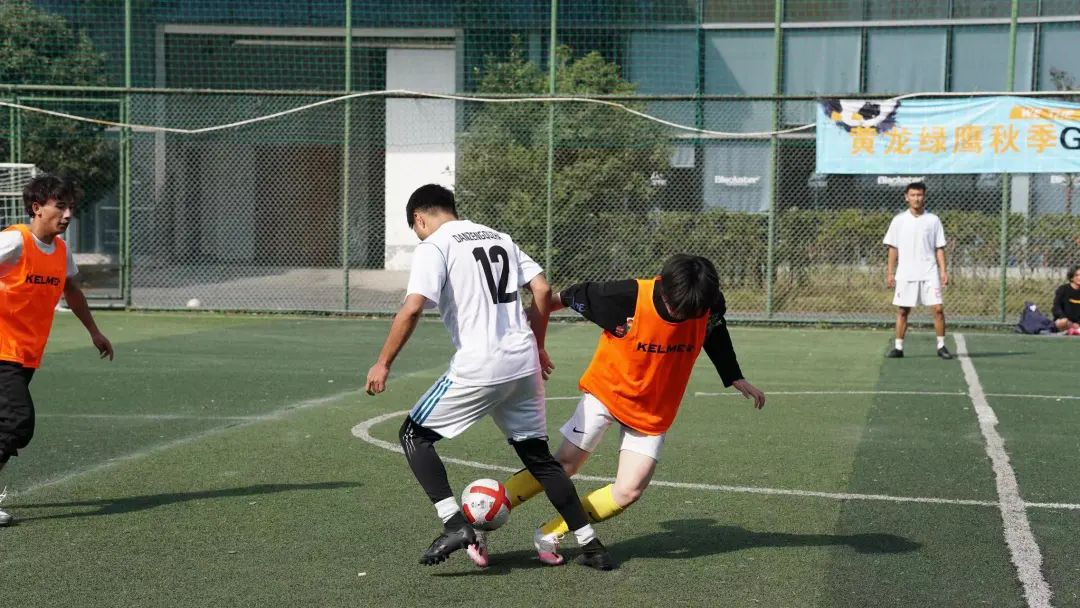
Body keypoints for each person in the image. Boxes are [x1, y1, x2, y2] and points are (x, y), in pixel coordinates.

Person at [364, 184, 614, 570]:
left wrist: (383, 362)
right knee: (540, 459)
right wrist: (538, 345)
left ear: (419, 218)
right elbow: (542, 288)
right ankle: (591, 545)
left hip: (481, 363)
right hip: (522, 362)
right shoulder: (499, 237)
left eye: (416, 229)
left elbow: (412, 308)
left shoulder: (435, 246)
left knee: (413, 435)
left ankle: (453, 525)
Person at [501, 254, 767, 565]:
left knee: (628, 491)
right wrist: (529, 326)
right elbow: (567, 296)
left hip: (653, 409)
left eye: (690, 312)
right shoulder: (626, 296)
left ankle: (550, 532)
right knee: (566, 464)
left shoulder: (707, 303)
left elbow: (715, 331)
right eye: (676, 308)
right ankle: (492, 503)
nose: (681, 315)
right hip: (607, 392)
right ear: (663, 286)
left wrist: (733, 375)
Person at [0, 175, 114, 526]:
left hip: (24, 353)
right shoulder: (14, 241)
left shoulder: (61, 251)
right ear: (37, 208)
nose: (67, 215)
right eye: (60, 206)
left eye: (71, 208)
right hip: (2, 350)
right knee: (17, 422)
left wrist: (94, 331)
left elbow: (72, 291)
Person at [884, 182, 952, 359]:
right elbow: (893, 248)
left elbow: (939, 247)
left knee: (938, 309)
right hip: (906, 273)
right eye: (913, 195)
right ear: (906, 197)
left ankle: (941, 346)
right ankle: (898, 347)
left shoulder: (933, 220)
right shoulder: (899, 220)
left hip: (929, 272)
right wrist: (890, 273)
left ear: (924, 196)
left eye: (919, 195)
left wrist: (943, 271)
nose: (916, 198)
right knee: (903, 311)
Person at [1052, 264, 1080, 334]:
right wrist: (1063, 317)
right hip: (1066, 322)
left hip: (1078, 324)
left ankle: (1075, 331)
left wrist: (1078, 323)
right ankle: (1070, 331)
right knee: (1062, 322)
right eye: (1077, 275)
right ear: (1071, 278)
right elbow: (1056, 307)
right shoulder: (1063, 289)